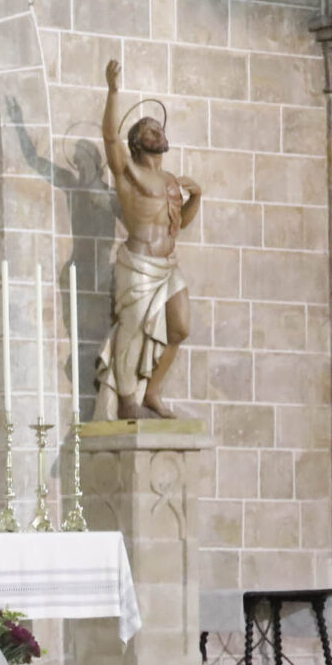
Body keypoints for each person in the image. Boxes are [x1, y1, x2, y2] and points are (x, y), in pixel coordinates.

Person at [94, 57, 202, 420]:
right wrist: (113, 92)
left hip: (168, 265)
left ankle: (152, 392)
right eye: (151, 130)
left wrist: (197, 198)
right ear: (137, 142)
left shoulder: (171, 179)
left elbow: (179, 225)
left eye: (160, 129)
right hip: (139, 263)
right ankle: (128, 401)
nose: (159, 133)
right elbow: (109, 136)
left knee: (181, 327)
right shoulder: (129, 173)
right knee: (133, 330)